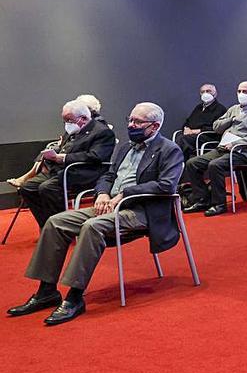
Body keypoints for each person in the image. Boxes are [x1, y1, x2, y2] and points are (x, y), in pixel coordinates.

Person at [7, 102, 183, 325]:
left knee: (92, 226)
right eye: (130, 119)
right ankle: (47, 291)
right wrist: (102, 193)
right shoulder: (125, 148)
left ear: (155, 126)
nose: (131, 125)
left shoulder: (169, 150)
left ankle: (74, 297)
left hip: (141, 211)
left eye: (137, 122)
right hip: (109, 205)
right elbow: (108, 176)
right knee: (55, 222)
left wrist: (125, 193)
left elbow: (167, 185)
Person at [15, 99, 117, 229]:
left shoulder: (103, 132)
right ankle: (47, 226)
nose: (67, 124)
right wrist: (52, 153)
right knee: (27, 188)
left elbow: (96, 156)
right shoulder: (74, 128)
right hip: (62, 170)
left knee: (47, 188)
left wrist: (64, 158)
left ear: (84, 118)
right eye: (65, 121)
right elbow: (65, 147)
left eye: (69, 120)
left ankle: (62, 227)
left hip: (85, 172)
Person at [181, 80, 247, 216]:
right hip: (223, 148)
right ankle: (202, 199)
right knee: (192, 163)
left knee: (215, 165)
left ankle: (219, 204)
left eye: (245, 92)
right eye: (239, 91)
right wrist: (230, 119)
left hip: (242, 151)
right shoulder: (233, 109)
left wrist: (235, 143)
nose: (241, 94)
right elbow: (216, 126)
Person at [177, 84, 227, 160]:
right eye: (203, 92)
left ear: (215, 94)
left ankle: (179, 164)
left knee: (183, 139)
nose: (205, 93)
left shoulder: (220, 109)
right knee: (179, 136)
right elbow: (188, 121)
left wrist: (196, 131)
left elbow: (217, 128)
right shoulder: (198, 108)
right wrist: (186, 129)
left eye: (208, 91)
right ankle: (177, 163)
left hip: (208, 137)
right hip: (191, 135)